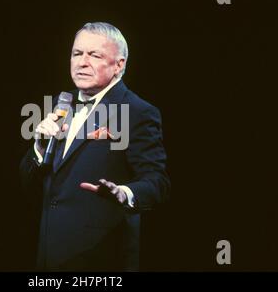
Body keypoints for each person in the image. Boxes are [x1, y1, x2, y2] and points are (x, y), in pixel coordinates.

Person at [20, 22, 170, 271]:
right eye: (77, 53)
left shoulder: (137, 111)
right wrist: (37, 149)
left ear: (119, 65)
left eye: (94, 55)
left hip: (100, 259)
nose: (82, 62)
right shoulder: (61, 103)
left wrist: (124, 193)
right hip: (49, 256)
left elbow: (158, 181)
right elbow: (29, 184)